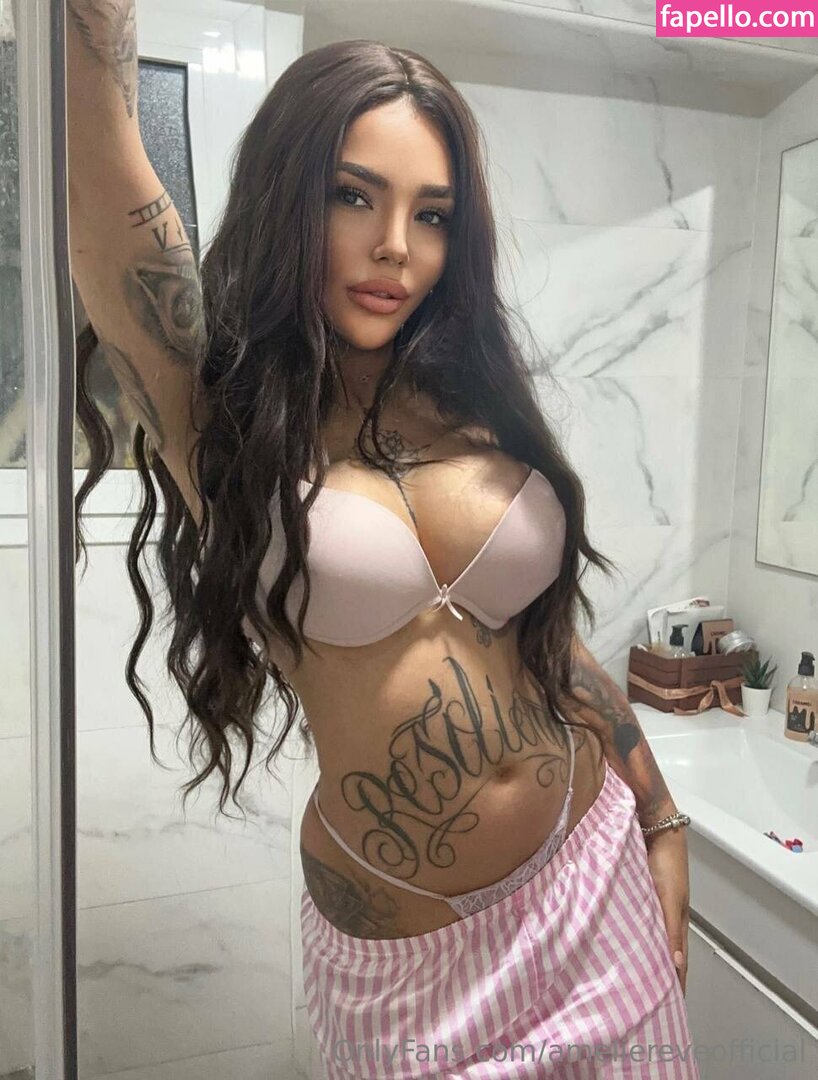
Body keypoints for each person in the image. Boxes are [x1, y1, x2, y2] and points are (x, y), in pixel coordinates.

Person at [67, 6, 698, 1078]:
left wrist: (660, 817)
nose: (396, 245)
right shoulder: (218, 420)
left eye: (431, 213)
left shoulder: (471, 401)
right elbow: (107, 185)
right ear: (287, 197)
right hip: (417, 969)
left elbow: (546, 649)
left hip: (594, 882)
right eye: (353, 195)